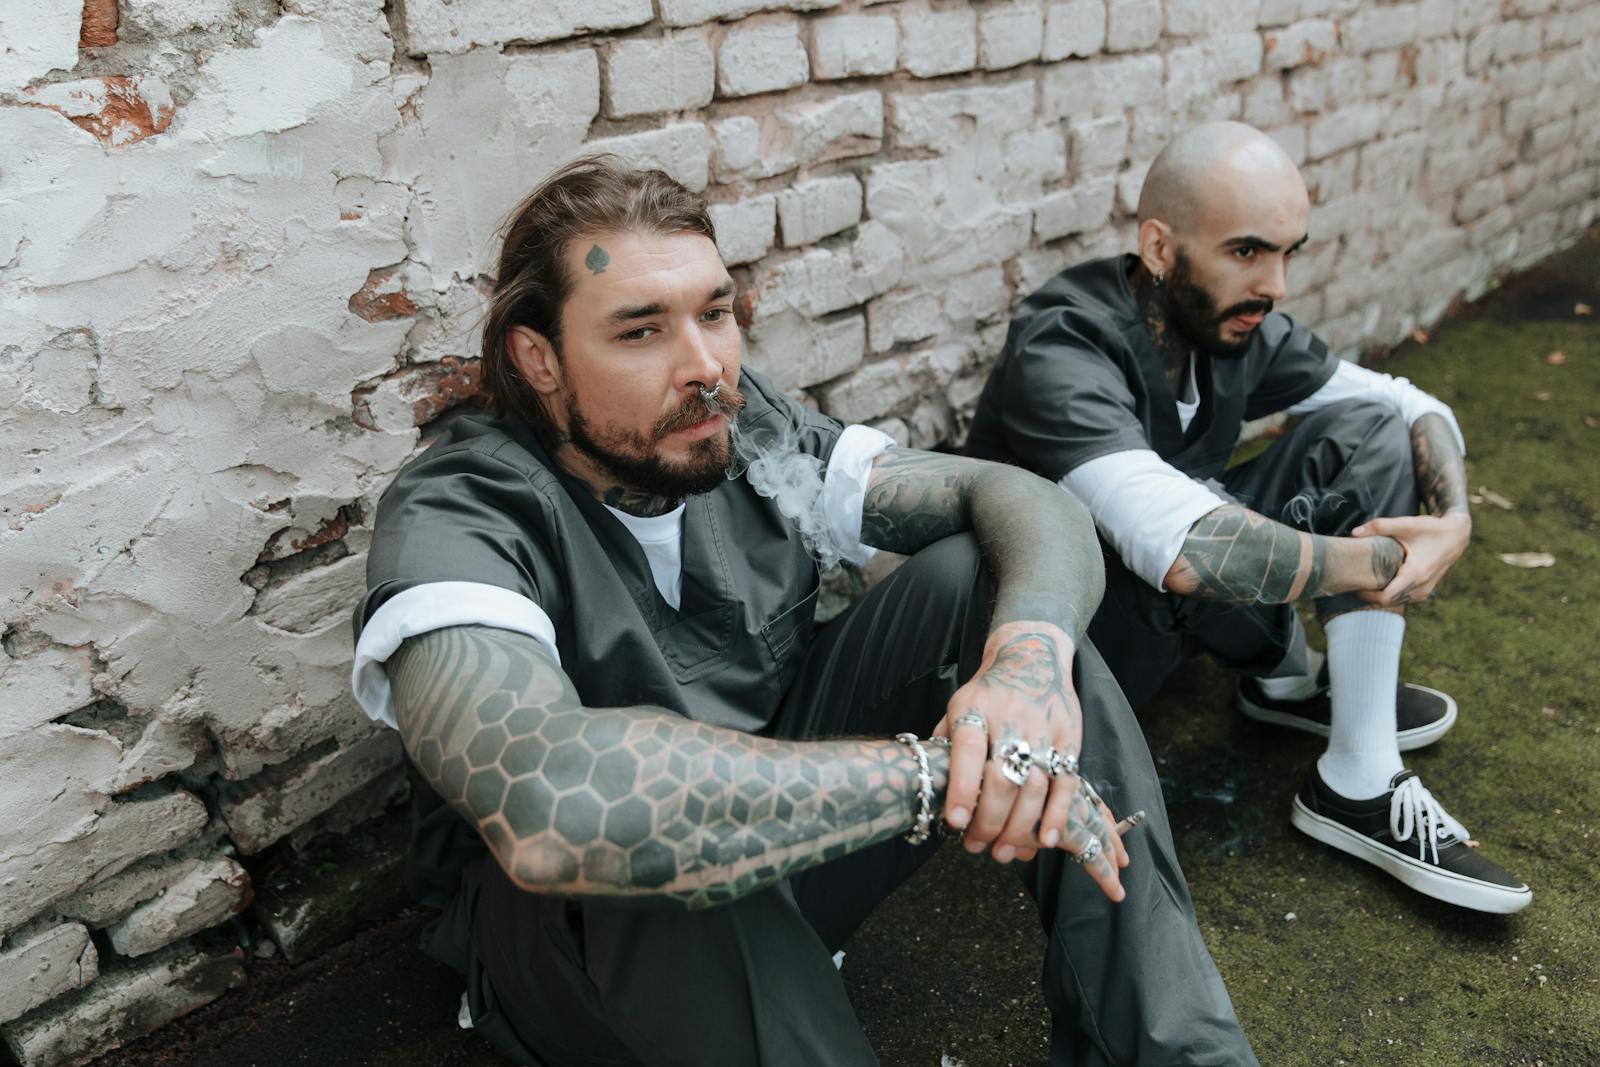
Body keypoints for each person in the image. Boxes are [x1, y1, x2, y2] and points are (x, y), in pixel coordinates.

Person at [348, 156, 1257, 1065]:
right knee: (648, 828)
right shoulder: (457, 514)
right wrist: (947, 776)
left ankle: (1178, 1053)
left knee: (980, 581)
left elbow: (1028, 499)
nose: (705, 367)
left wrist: (1025, 668)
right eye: (639, 332)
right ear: (538, 358)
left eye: (714, 313)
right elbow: (555, 809)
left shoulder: (743, 430)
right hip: (578, 942)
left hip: (789, 845)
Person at [965, 121, 1530, 915]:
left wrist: (1457, 518)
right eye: (1247, 251)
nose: (1277, 284)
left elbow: (1406, 405)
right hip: (1064, 649)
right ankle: (1285, 676)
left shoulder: (1231, 321)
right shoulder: (1063, 348)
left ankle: (1354, 770)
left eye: (1287, 252)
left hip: (1167, 591)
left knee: (1366, 432)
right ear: (1159, 248)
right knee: (1191, 538)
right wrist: (1384, 563)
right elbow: (1183, 549)